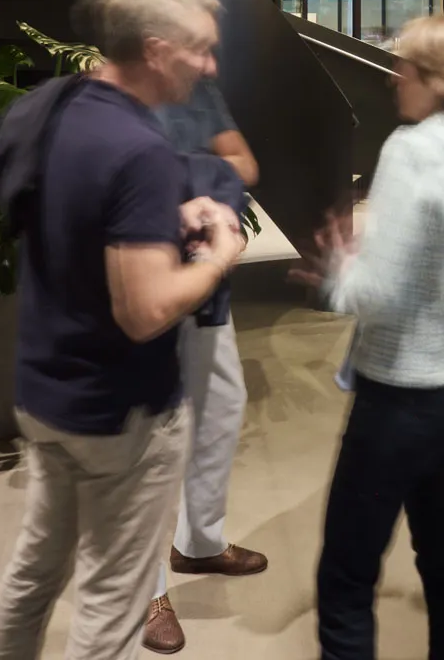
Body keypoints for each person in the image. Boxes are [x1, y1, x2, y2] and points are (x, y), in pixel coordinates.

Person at [0, 0, 247, 660]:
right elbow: (145, 311)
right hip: (118, 413)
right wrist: (218, 257)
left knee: (34, 573)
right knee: (112, 603)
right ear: (156, 50)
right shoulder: (140, 149)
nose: (210, 66)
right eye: (200, 49)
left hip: (45, 392)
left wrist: (165, 216)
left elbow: (73, 220)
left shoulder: (56, 107)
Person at [302, 12, 444, 660]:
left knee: (346, 575)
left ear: (436, 79)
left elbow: (376, 294)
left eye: (404, 66)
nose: (393, 77)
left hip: (403, 392)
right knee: (443, 551)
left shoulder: (413, 151)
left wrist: (338, 273)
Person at [142, 73, 267, 655]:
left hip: (204, 281)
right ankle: (145, 591)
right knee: (149, 437)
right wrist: (205, 178)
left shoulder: (200, 91)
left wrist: (188, 183)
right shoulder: (110, 93)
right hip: (144, 284)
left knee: (221, 407)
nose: (207, 56)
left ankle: (199, 543)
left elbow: (245, 164)